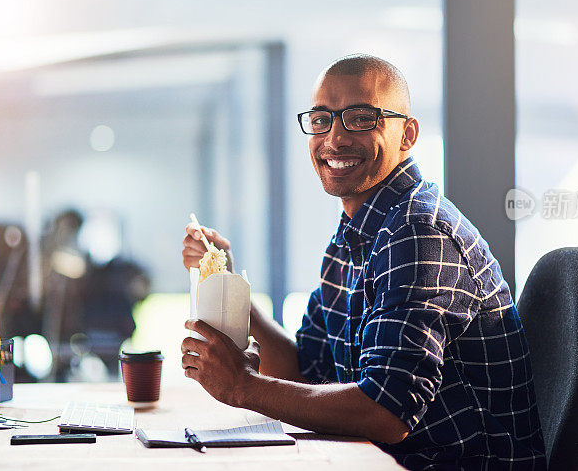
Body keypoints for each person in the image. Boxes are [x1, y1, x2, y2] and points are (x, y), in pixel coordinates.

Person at [181, 54, 547, 470]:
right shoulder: (355, 233)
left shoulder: (418, 232)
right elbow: (305, 372)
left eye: (359, 118)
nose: (334, 139)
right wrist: (226, 285)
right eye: (321, 120)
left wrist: (241, 388)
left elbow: (387, 413)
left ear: (406, 134)